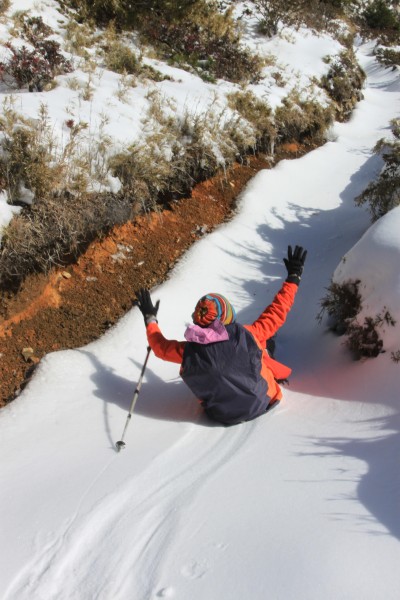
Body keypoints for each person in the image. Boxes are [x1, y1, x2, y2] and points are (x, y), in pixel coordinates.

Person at [136, 245, 307, 426]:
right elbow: (277, 313)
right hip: (264, 402)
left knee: (250, 347)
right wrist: (293, 278)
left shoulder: (188, 351)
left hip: (222, 415)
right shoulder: (246, 334)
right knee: (261, 344)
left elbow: (160, 348)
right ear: (226, 316)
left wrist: (150, 318)